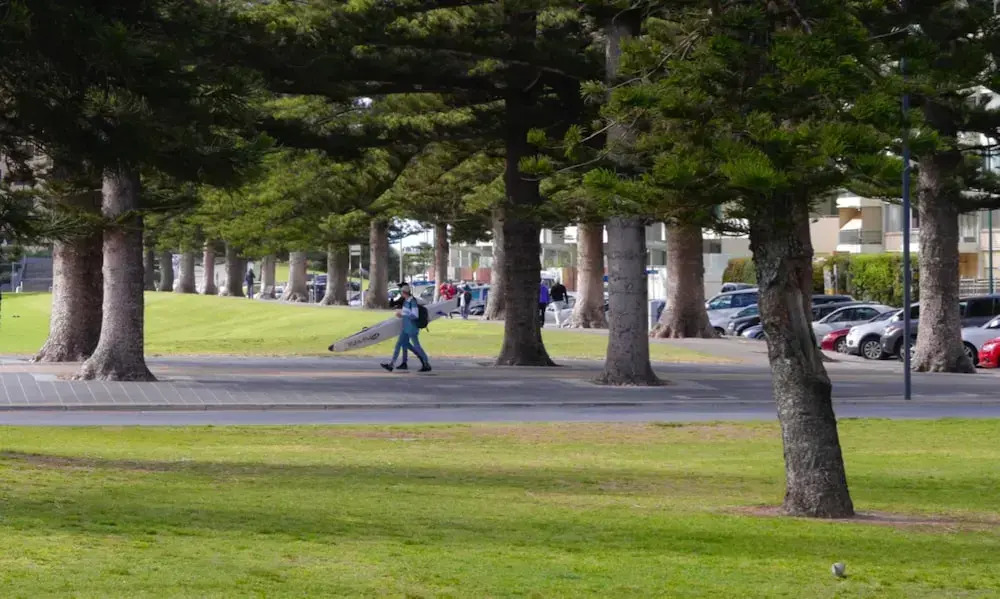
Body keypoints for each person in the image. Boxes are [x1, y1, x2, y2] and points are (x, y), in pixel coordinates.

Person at [381, 284, 431, 373]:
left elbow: (415, 315)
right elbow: (407, 313)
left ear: (404, 292)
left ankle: (426, 362)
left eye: (401, 292)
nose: (401, 294)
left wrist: (402, 315)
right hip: (406, 328)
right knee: (399, 345)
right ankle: (391, 365)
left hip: (412, 328)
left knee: (416, 346)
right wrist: (402, 314)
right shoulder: (406, 301)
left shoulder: (412, 302)